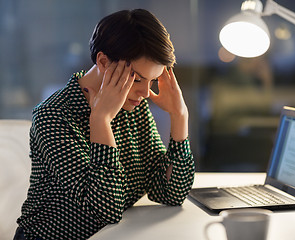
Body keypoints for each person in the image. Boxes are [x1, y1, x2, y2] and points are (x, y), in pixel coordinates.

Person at [15, 9, 195, 240]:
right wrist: (101, 120)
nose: (145, 93)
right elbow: (105, 210)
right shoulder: (53, 116)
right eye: (137, 79)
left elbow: (170, 192)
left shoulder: (133, 106)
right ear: (103, 61)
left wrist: (179, 115)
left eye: (152, 80)